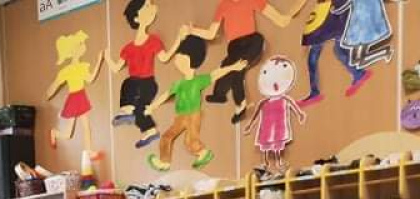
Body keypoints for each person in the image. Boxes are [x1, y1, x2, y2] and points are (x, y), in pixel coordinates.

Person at [181, 0, 306, 123]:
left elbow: (280, 20)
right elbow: (211, 33)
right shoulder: (223, 5)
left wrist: (295, 9)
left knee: (236, 66)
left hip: (252, 41)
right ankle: (224, 97)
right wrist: (191, 31)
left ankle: (234, 101)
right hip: (234, 47)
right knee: (230, 66)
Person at [147, 36, 246, 171]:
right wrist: (153, 106)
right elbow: (166, 95)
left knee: (190, 141)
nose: (177, 61)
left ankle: (204, 153)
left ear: (191, 61)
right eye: (177, 58)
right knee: (166, 137)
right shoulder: (179, 84)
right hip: (180, 116)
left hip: (193, 114)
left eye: (181, 58)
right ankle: (164, 162)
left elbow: (216, 74)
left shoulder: (198, 81)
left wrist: (233, 67)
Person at [107, 0, 174, 150]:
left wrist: (178, 41)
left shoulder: (153, 41)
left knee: (140, 107)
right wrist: (106, 58)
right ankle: (144, 126)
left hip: (147, 82)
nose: (151, 8)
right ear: (136, 18)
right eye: (147, 6)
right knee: (128, 85)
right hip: (134, 82)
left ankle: (140, 121)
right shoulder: (128, 48)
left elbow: (164, 58)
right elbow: (116, 68)